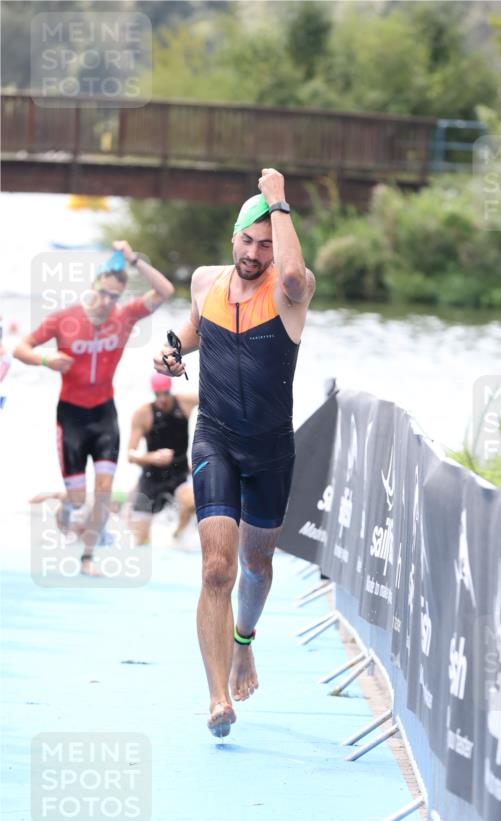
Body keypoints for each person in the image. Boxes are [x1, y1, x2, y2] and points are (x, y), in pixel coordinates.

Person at [153, 168, 316, 739]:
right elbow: (195, 330)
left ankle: (244, 644)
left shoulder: (291, 290)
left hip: (271, 449)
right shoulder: (205, 282)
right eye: (247, 240)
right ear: (232, 238)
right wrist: (172, 351)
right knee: (217, 568)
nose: (254, 253)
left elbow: (294, 271)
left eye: (265, 243)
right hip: (216, 436)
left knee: (256, 564)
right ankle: (218, 696)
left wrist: (278, 201)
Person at [14, 241, 174, 576]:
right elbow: (21, 348)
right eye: (102, 293)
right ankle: (66, 504)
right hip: (71, 417)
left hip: (104, 415)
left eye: (114, 296)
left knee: (102, 492)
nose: (106, 302)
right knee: (77, 498)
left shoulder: (125, 316)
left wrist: (134, 258)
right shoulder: (64, 319)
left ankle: (88, 558)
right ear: (92, 287)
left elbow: (165, 289)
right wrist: (46, 359)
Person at [128, 373, 198, 544]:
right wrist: (152, 457)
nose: (162, 399)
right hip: (152, 477)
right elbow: (131, 454)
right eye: (157, 394)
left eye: (165, 393)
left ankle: (177, 536)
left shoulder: (184, 402)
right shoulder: (143, 413)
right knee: (140, 540)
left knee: (192, 503)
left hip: (178, 473)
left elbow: (214, 394)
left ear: (170, 390)